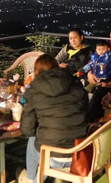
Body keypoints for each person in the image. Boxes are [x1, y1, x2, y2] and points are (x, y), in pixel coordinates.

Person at [20, 54, 88, 183]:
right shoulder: (75, 84)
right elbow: (85, 115)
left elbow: (27, 130)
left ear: (36, 71)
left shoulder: (34, 90)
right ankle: (35, 178)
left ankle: (31, 179)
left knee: (32, 138)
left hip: (54, 157)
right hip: (80, 152)